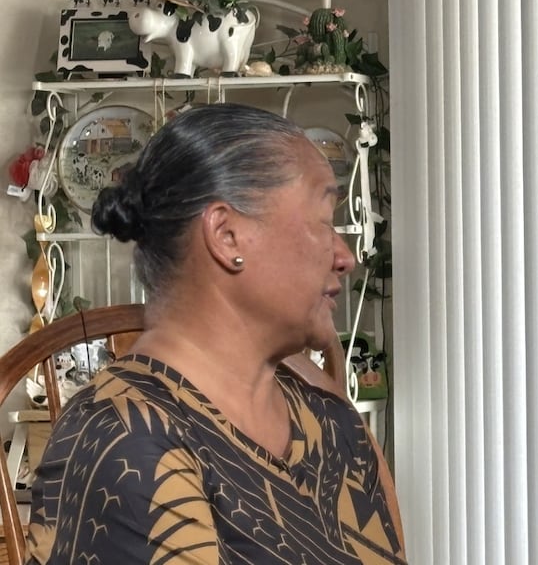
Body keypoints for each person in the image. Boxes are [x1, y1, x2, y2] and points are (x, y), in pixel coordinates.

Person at [26, 104, 406, 564]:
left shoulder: (332, 424)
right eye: (324, 221)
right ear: (227, 236)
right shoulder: (127, 441)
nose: (344, 257)